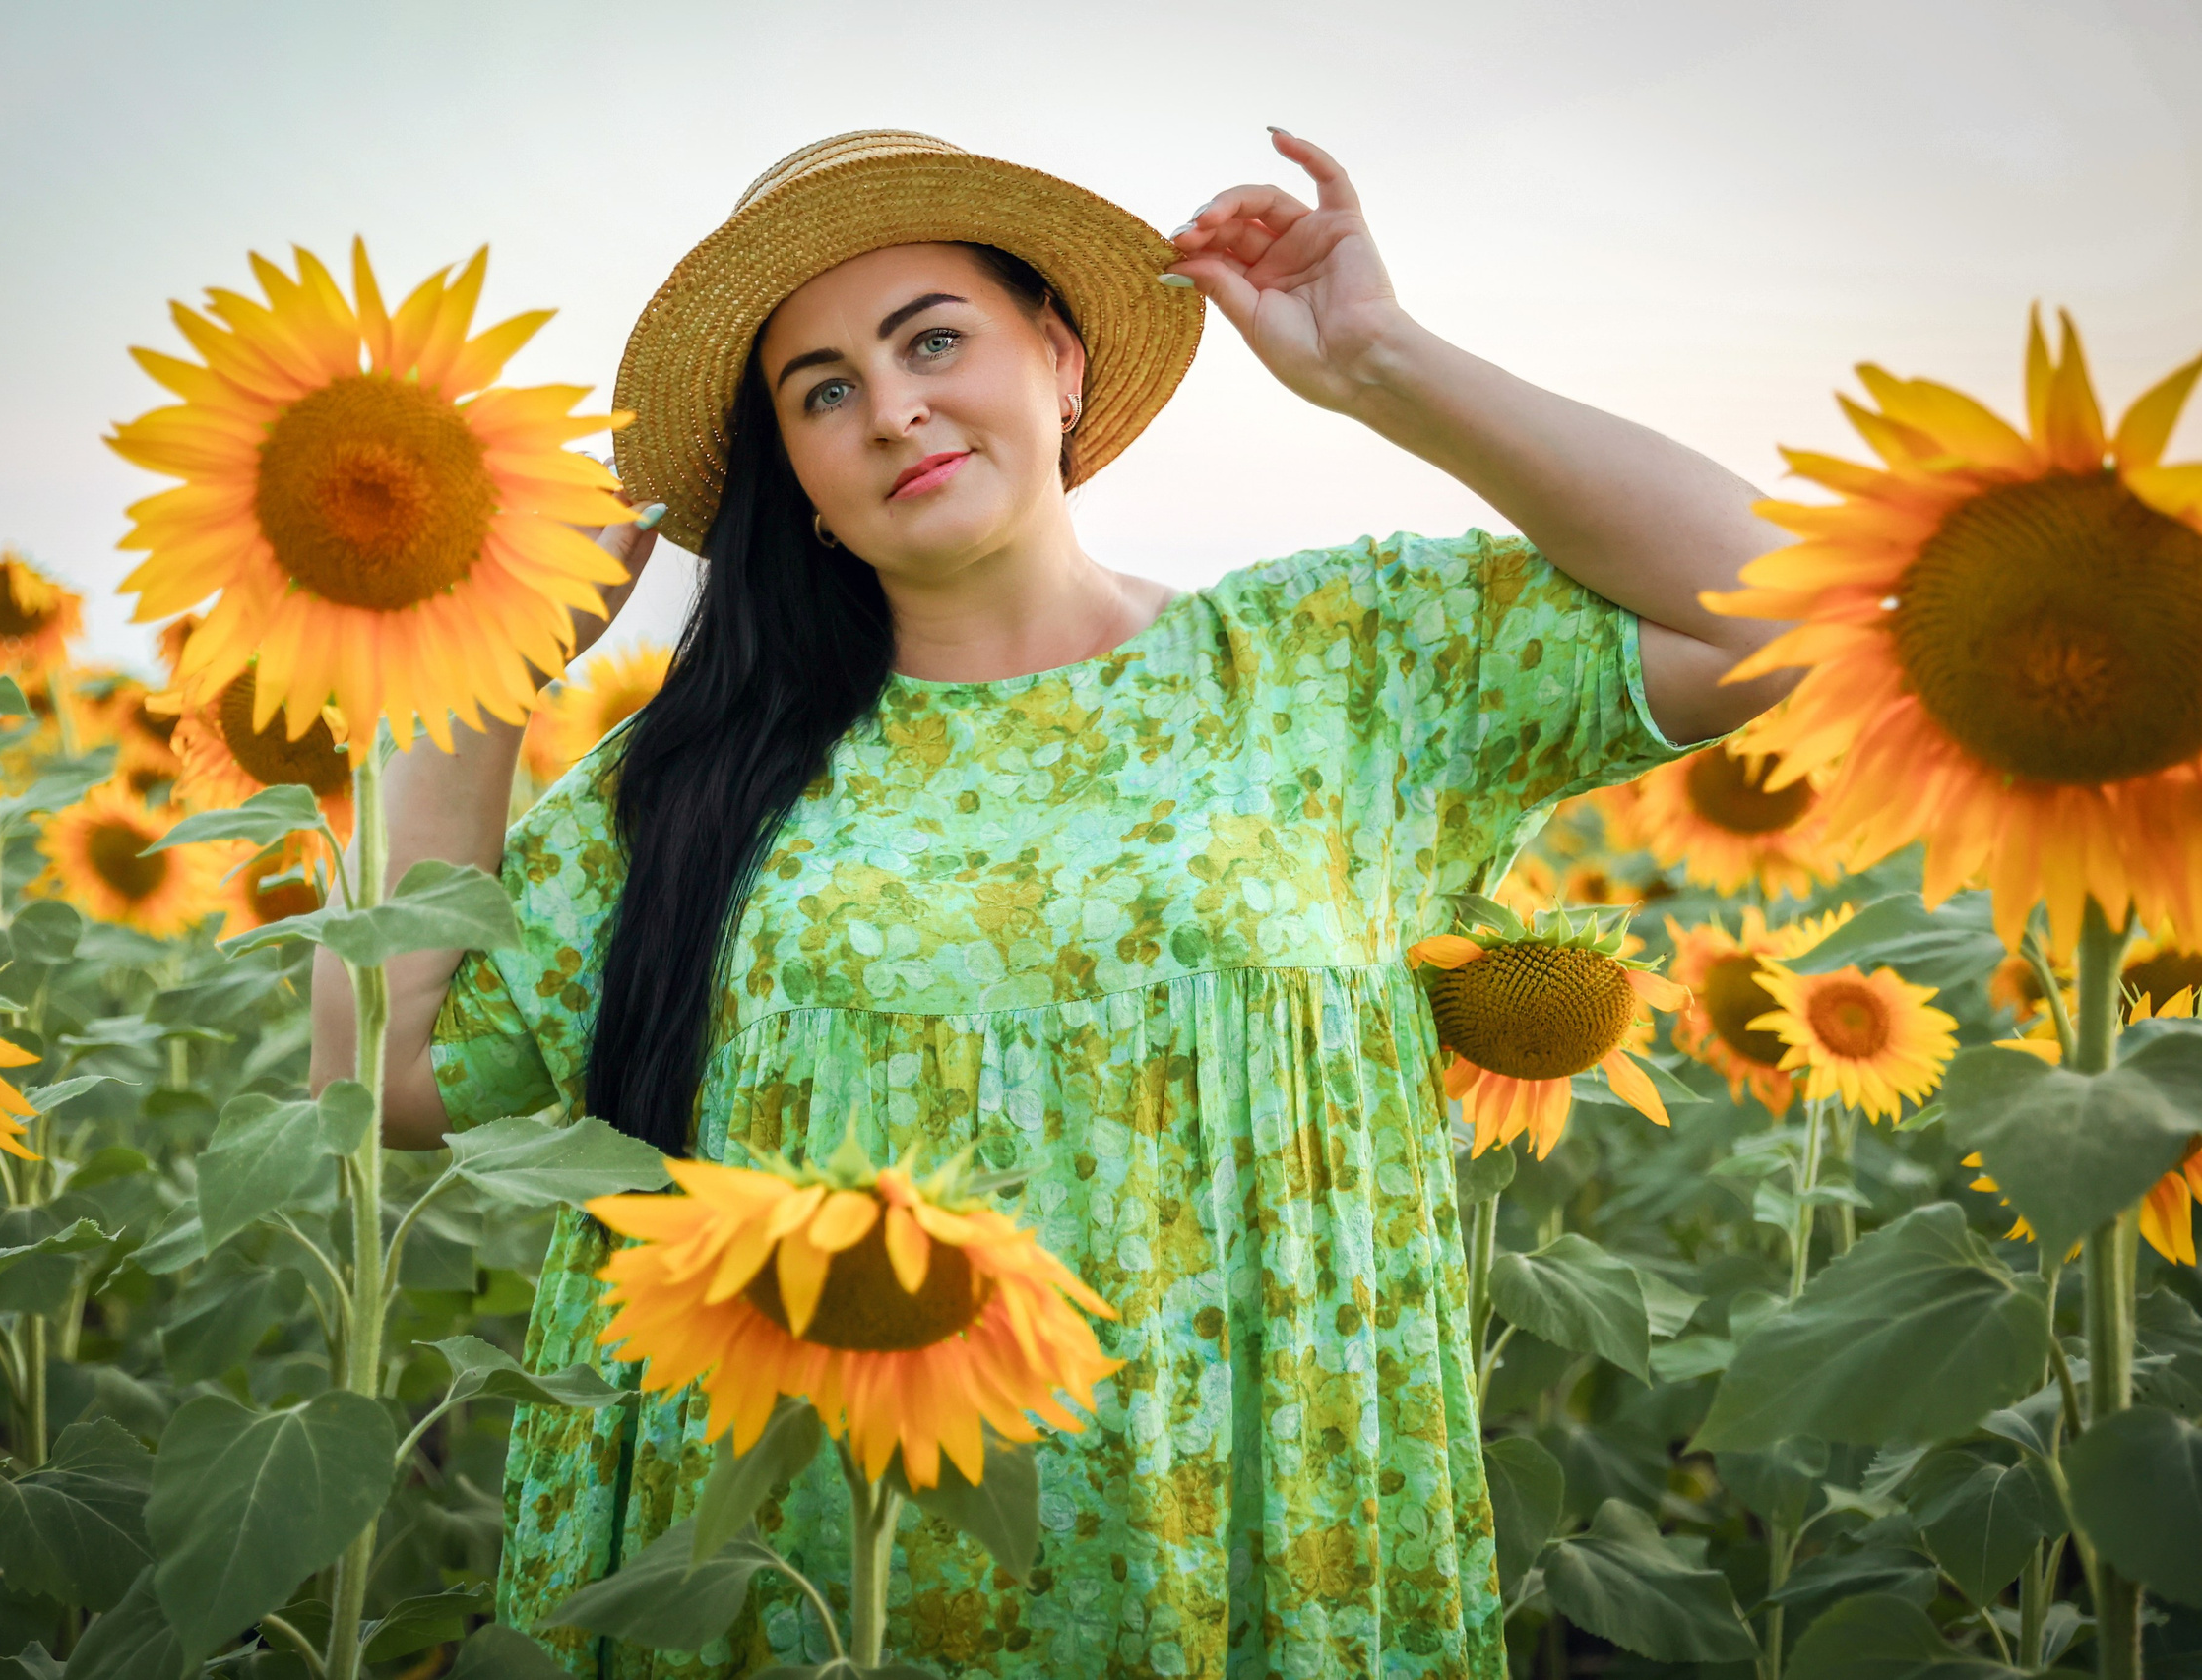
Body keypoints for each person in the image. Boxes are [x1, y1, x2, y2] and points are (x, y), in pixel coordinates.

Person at [310, 127, 1796, 1678]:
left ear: (1062, 360)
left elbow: (1768, 607)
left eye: (930, 339)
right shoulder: (690, 787)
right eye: (822, 391)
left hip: (1253, 1538)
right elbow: (387, 1083)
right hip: (815, 1568)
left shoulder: (1326, 667)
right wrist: (471, 690)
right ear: (798, 482)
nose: (891, 408)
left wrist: (1379, 361)